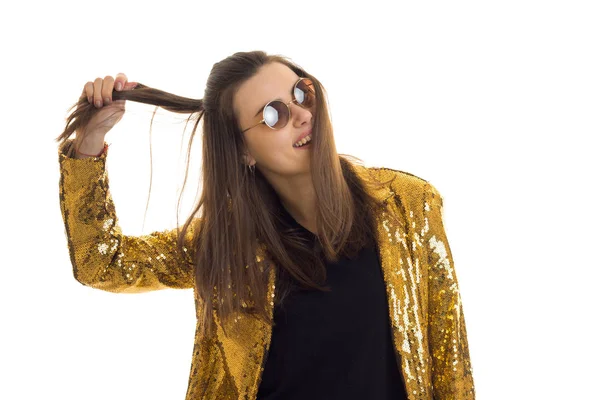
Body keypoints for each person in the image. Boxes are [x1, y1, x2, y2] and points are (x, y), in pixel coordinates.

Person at [55, 50, 476, 399]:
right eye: (272, 115)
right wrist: (88, 148)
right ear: (243, 151)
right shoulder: (223, 244)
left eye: (300, 93)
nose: (301, 115)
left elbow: (449, 362)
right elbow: (102, 263)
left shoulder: (407, 205)